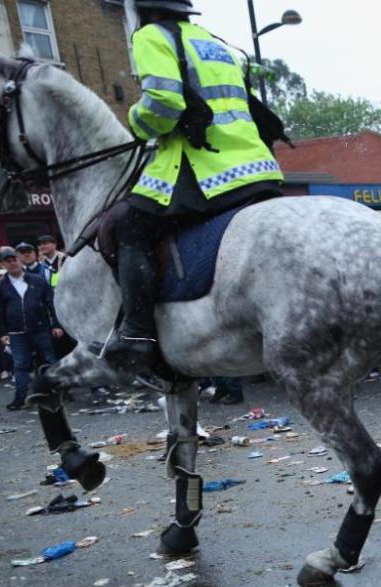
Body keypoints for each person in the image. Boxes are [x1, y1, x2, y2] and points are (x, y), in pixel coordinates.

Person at [104, 0, 284, 373]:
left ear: (145, 11)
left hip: (206, 167)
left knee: (130, 226)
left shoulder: (152, 36)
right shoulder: (215, 42)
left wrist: (137, 123)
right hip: (256, 165)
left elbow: (164, 103)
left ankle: (138, 336)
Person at [0, 248, 63, 410]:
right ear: (3, 264)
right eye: (7, 261)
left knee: (50, 361)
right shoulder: (1, 286)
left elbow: (51, 304)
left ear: (19, 260)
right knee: (21, 365)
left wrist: (57, 325)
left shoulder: (37, 280)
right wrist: (2, 333)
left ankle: (60, 392)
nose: (12, 263)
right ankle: (20, 398)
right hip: (17, 333)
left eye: (14, 259)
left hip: (41, 329)